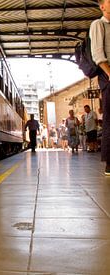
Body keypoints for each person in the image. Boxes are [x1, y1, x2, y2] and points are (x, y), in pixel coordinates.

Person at [90, 0, 110, 175]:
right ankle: (109, 162)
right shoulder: (98, 25)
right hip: (108, 75)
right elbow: (98, 53)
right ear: (102, 6)